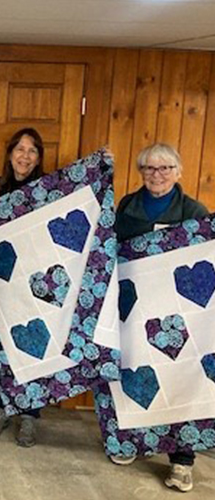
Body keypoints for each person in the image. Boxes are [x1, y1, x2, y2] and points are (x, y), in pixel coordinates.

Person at [108, 143, 207, 493]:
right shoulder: (127, 208)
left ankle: (182, 460)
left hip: (178, 313)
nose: (157, 175)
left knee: (181, 379)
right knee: (136, 375)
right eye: (149, 168)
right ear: (140, 172)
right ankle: (135, 442)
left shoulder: (195, 211)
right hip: (136, 309)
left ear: (178, 172)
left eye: (165, 168)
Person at [0, 128, 45, 447]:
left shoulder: (50, 190)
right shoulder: (0, 187)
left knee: (34, 341)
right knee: (1, 342)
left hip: (37, 281)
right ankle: (1, 405)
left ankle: (30, 414)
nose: (25, 156)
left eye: (32, 150)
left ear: (39, 158)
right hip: (5, 278)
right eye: (20, 149)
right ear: (10, 154)